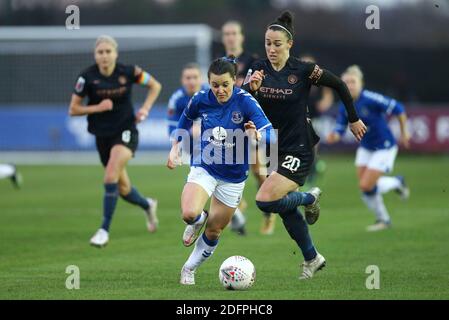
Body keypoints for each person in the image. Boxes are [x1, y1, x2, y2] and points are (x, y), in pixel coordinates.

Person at [243, 11, 367, 279]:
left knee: (265, 200)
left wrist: (353, 119)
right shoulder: (257, 68)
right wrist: (251, 89)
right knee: (284, 207)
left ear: (289, 44)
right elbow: (244, 104)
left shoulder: (304, 70)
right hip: (273, 148)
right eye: (267, 43)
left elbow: (340, 85)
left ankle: (310, 197)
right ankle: (312, 258)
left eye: (277, 43)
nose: (271, 48)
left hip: (299, 146)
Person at [167, 56, 274, 285]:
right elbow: (184, 121)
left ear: (234, 81)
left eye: (225, 84)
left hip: (233, 177)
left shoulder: (245, 101)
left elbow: (270, 133)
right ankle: (197, 219)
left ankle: (189, 268)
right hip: (205, 166)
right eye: (215, 85)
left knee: (214, 231)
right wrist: (175, 147)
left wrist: (257, 135)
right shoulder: (200, 99)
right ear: (209, 83)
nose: (220, 90)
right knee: (188, 213)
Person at [69, 35, 162, 247]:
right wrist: (96, 108)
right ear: (95, 55)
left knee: (110, 173)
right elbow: (73, 109)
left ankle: (103, 230)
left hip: (126, 130)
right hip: (102, 136)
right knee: (123, 189)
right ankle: (147, 204)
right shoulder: (87, 78)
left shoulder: (129, 72)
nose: (104, 56)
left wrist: (145, 109)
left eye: (108, 52)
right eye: (100, 52)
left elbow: (155, 85)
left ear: (115, 54)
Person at [327, 65, 410, 232]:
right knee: (367, 188)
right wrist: (333, 136)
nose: (349, 85)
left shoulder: (371, 99)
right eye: (346, 82)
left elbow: (399, 109)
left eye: (353, 82)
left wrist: (404, 133)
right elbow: (340, 128)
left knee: (366, 185)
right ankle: (384, 220)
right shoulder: (344, 104)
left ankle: (397, 182)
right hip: (366, 147)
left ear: (361, 83)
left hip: (384, 146)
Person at [222, 21, 276, 235]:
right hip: (226, 125)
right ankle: (236, 203)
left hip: (247, 124)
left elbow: (255, 91)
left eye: (234, 33)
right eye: (227, 33)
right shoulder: (220, 64)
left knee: (257, 170)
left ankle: (269, 212)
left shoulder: (253, 61)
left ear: (241, 37)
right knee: (219, 165)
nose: (230, 37)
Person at [299, 54, 334, 187]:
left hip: (315, 118)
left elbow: (328, 93)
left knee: (313, 147)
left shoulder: (319, 78)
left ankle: (312, 174)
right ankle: (312, 168)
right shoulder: (296, 77)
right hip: (300, 118)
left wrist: (324, 104)